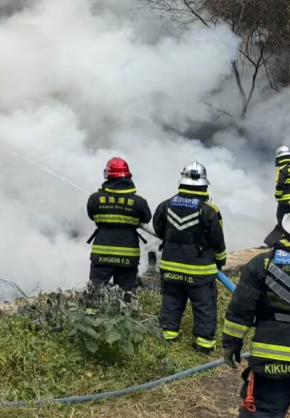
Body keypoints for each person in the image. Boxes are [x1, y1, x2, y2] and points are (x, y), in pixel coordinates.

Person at [152, 161, 227, 352]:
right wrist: (220, 261)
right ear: (204, 185)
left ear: (182, 183)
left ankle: (168, 334)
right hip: (199, 271)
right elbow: (217, 241)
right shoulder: (209, 210)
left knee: (171, 300)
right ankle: (204, 344)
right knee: (204, 305)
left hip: (170, 266)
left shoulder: (165, 205)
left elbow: (159, 229)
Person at [222, 214, 290, 417]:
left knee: (263, 411)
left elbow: (241, 308)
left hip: (272, 359)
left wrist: (231, 343)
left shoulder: (263, 263)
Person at [86, 157, 152, 293]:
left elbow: (92, 216)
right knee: (125, 293)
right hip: (128, 256)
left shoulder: (95, 198)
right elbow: (146, 218)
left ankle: (94, 307)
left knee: (95, 293)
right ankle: (124, 307)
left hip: (102, 254)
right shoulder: (138, 202)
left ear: (108, 175)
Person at [266, 146, 290, 247]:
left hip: (285, 202)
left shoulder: (282, 169)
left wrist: (277, 194)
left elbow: (280, 184)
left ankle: (281, 243)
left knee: (281, 222)